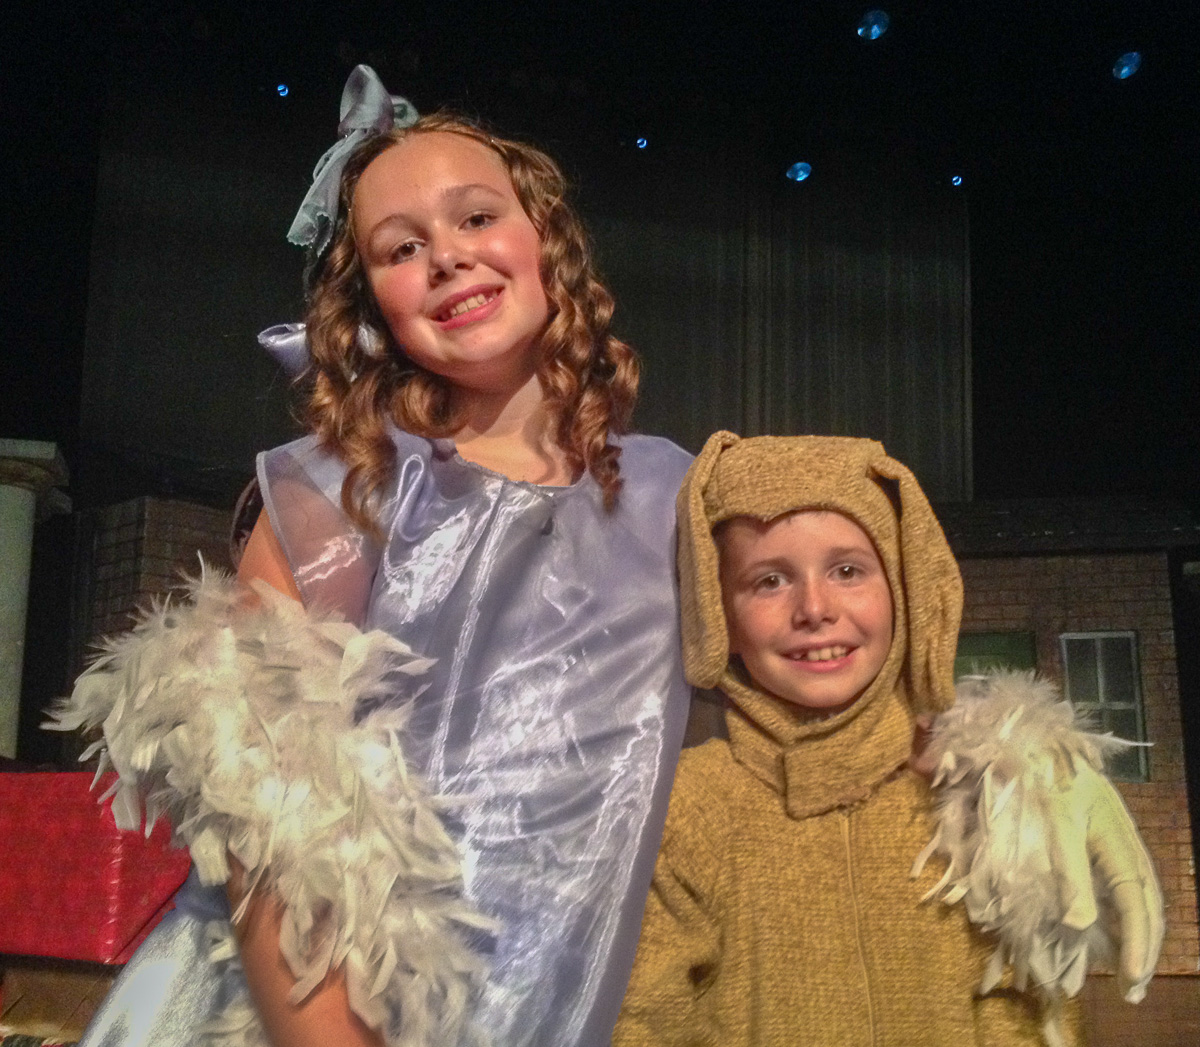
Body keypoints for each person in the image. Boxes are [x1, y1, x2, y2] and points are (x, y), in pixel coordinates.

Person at [57, 69, 1159, 1047]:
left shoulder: (681, 494)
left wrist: (1011, 759)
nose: (447, 255)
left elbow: (821, 656)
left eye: (476, 216)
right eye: (401, 247)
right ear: (372, 302)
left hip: (583, 997)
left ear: (545, 241)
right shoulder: (336, 497)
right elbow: (264, 818)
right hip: (324, 1004)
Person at [614, 431, 1161, 1047]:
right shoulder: (685, 811)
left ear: (902, 592)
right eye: (769, 581)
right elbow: (642, 1019)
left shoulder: (974, 796)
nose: (814, 608)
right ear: (720, 617)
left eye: (848, 570)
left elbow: (1025, 1010)